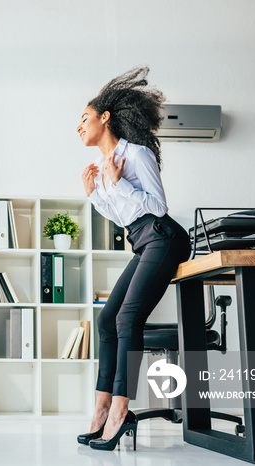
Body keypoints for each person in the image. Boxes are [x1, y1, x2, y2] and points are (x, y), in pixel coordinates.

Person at [75, 67, 190, 450]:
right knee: (108, 318)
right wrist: (97, 192)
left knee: (128, 318)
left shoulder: (136, 155)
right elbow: (124, 216)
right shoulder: (108, 169)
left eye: (85, 118)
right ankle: (101, 409)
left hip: (164, 237)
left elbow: (157, 206)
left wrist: (119, 182)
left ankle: (122, 411)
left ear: (104, 118)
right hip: (143, 241)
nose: (79, 127)